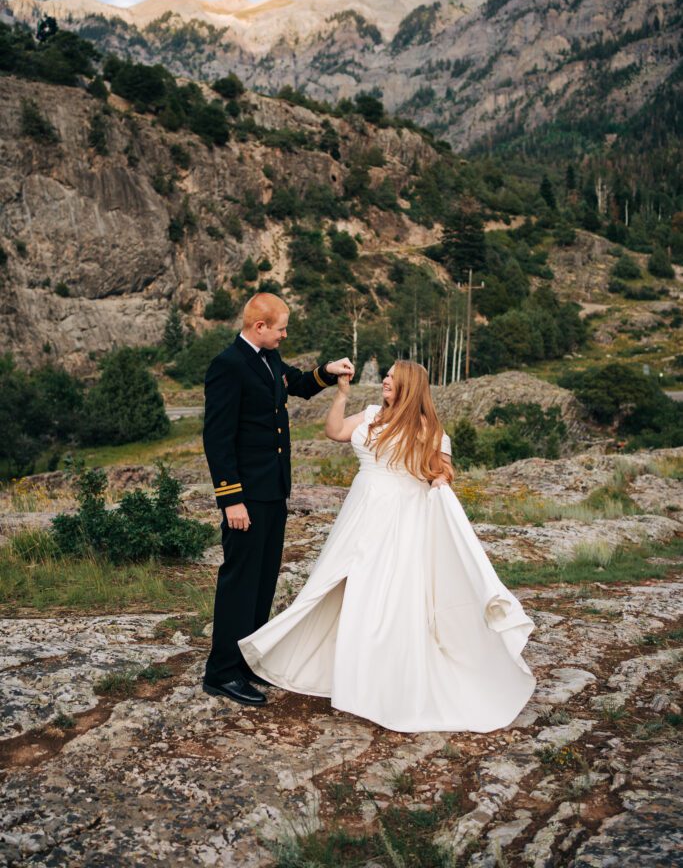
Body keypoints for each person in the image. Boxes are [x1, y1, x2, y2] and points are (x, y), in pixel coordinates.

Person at [239, 360, 536, 732]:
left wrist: (441, 483)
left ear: (409, 385)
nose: (385, 380)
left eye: (393, 377)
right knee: (337, 586)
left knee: (382, 596)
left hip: (398, 518)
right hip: (359, 512)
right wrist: (342, 394)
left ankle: (377, 685)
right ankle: (341, 671)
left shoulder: (429, 429)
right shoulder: (371, 414)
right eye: (387, 375)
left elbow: (442, 471)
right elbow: (334, 431)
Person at [202, 292, 354, 707]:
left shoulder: (268, 359)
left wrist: (328, 371)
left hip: (273, 491)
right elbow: (217, 439)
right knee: (240, 581)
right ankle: (221, 672)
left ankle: (248, 661)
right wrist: (231, 500)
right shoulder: (228, 366)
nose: (285, 334)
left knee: (264, 578)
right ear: (260, 327)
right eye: (281, 328)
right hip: (246, 497)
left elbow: (298, 386)